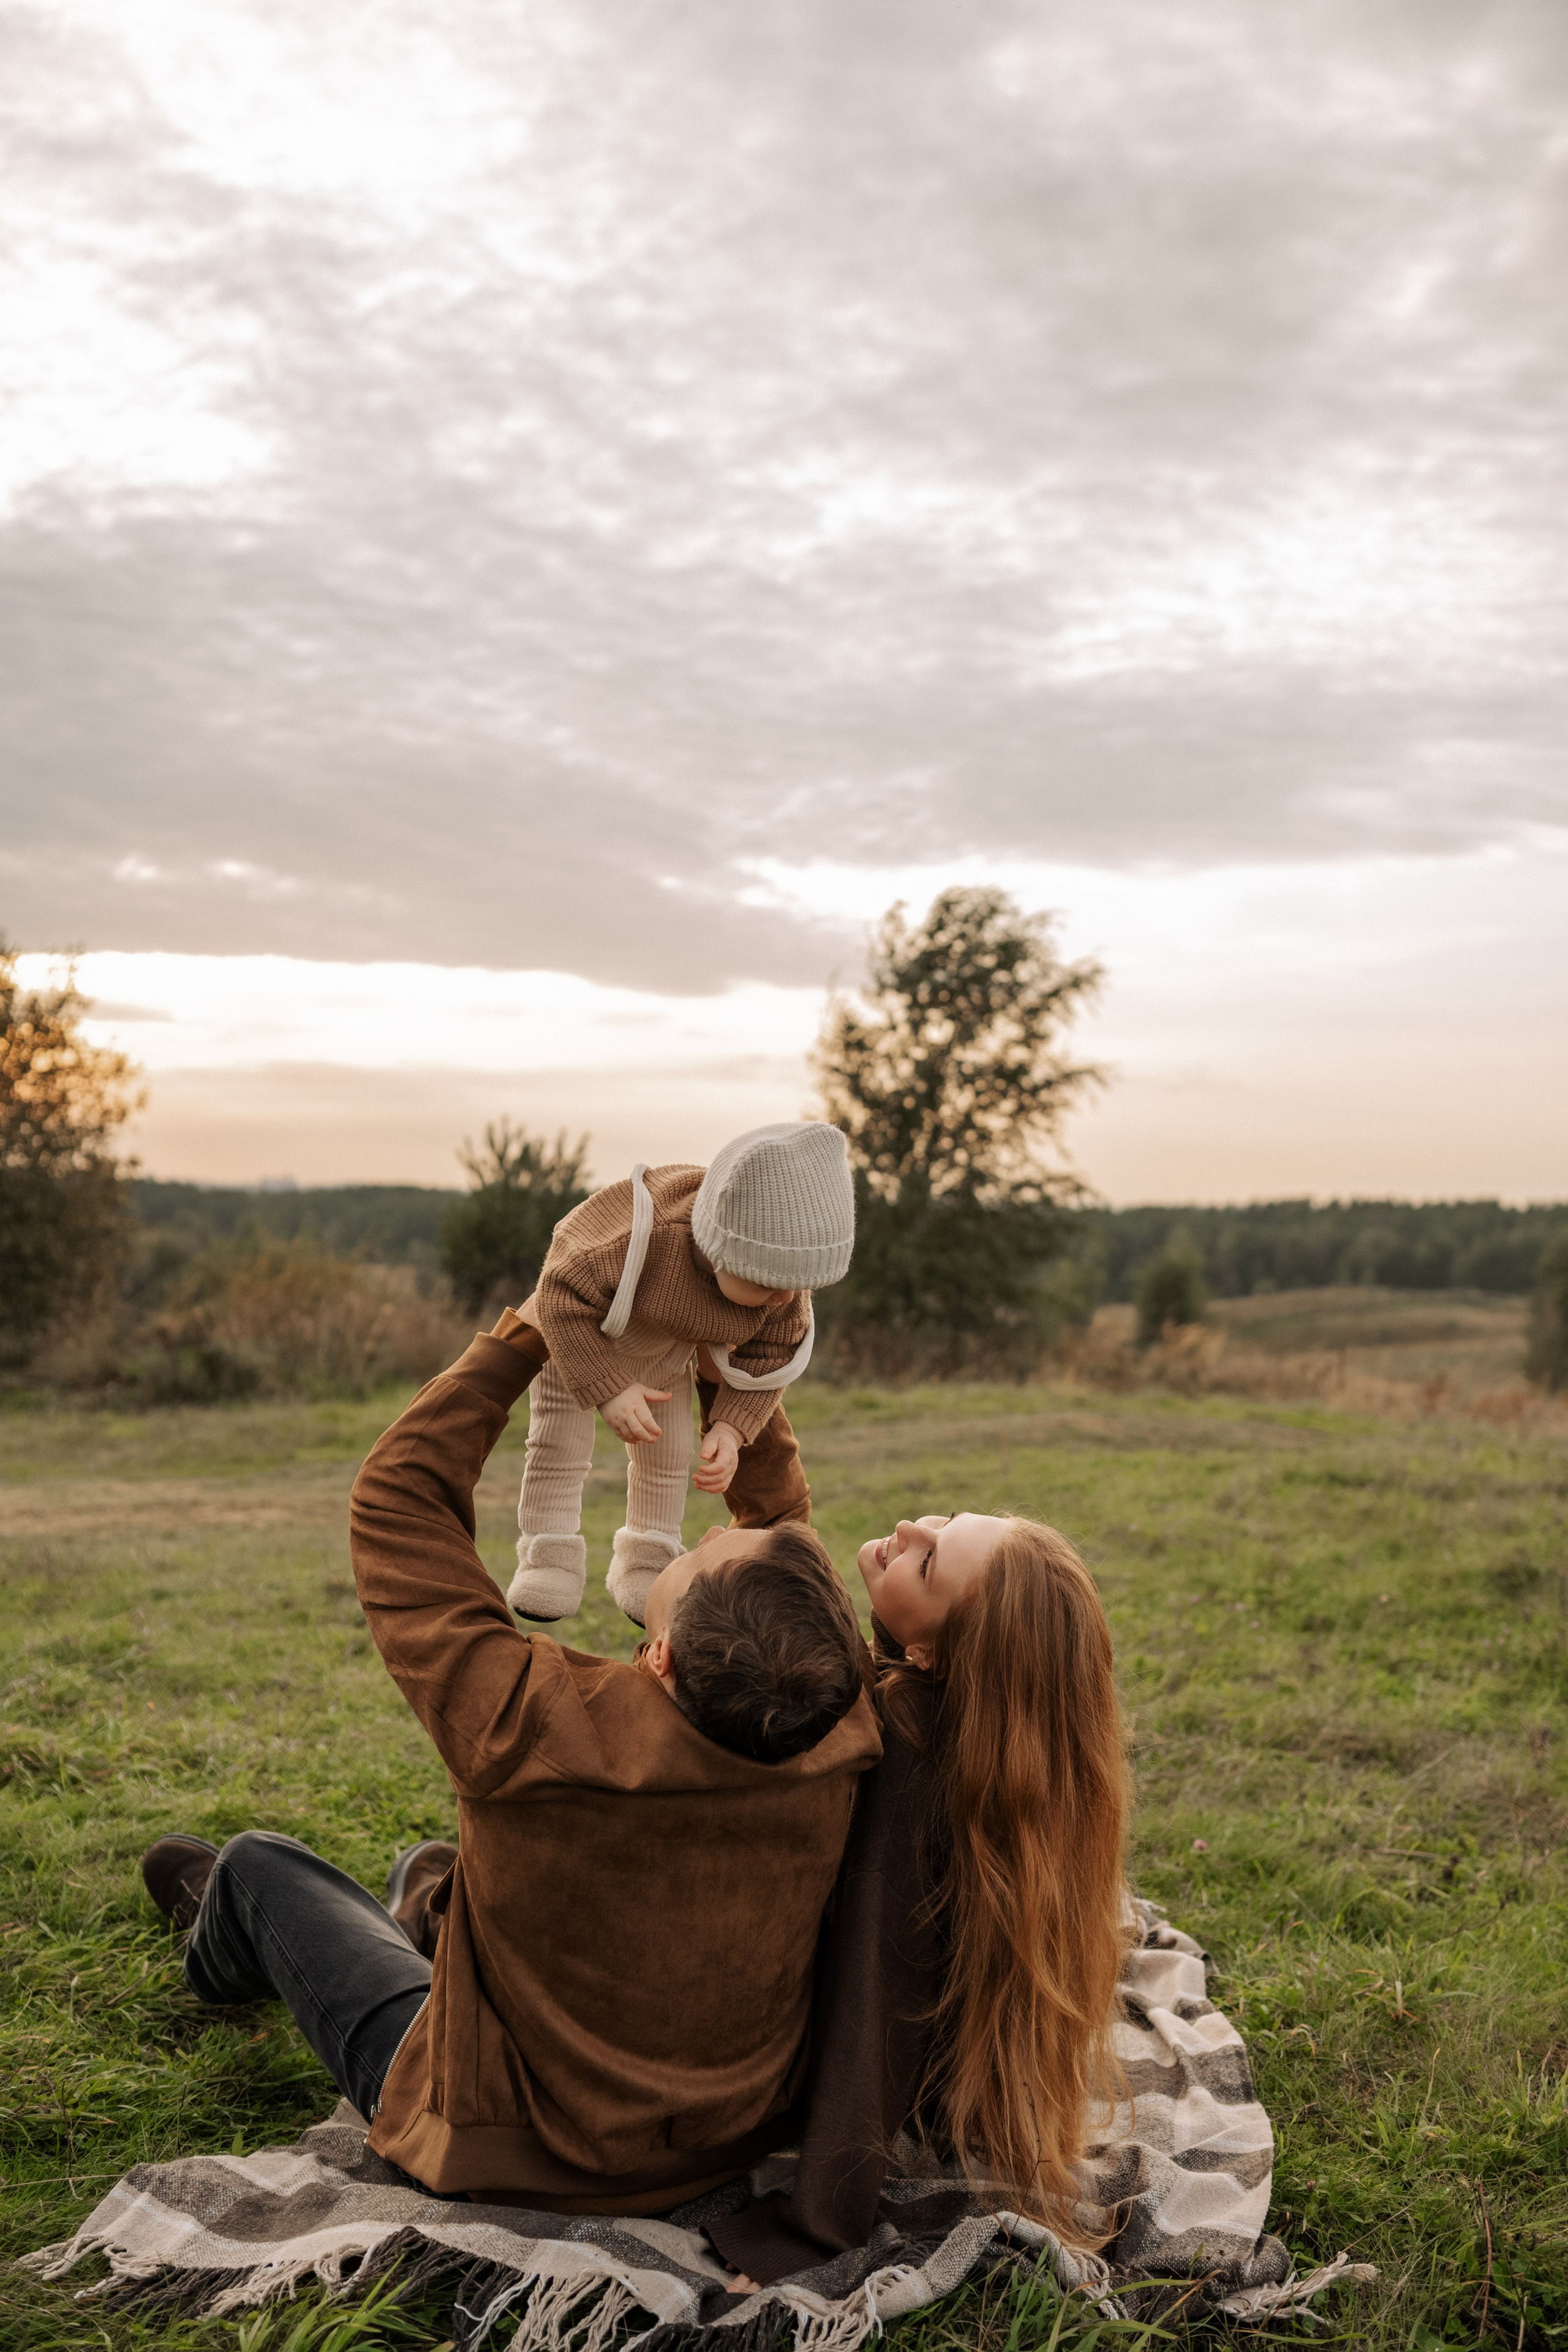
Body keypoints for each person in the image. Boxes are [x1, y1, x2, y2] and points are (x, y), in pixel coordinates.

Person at [140, 1306, 881, 2214]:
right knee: (431, 1870)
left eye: (696, 1558)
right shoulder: (841, 1719)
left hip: (504, 2141)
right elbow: (784, 1550)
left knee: (258, 1866)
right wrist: (728, 1368)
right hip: (727, 2137)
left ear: (661, 1659)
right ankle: (415, 1909)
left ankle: (217, 1950)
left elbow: (397, 1502)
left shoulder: (531, 1724)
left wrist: (530, 1334)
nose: (713, 1532)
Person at [706, 1509, 1132, 2286]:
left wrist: (818, 2222)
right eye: (941, 1519)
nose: (908, 1525)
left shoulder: (902, 1739)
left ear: (930, 1653)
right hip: (949, 2075)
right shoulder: (993, 1735)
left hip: (823, 2056)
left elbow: (880, 1979)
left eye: (929, 1560)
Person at [509, 1120, 854, 1624]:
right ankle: (548, 1555)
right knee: (559, 1447)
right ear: (719, 1248)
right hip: (579, 1340)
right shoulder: (635, 1241)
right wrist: (608, 1388)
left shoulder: (781, 1286)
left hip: (665, 1354)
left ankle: (648, 1558)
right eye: (769, 1283)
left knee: (667, 1457)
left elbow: (773, 1353)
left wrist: (733, 1429)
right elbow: (560, 1293)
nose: (784, 1297)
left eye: (799, 1285)